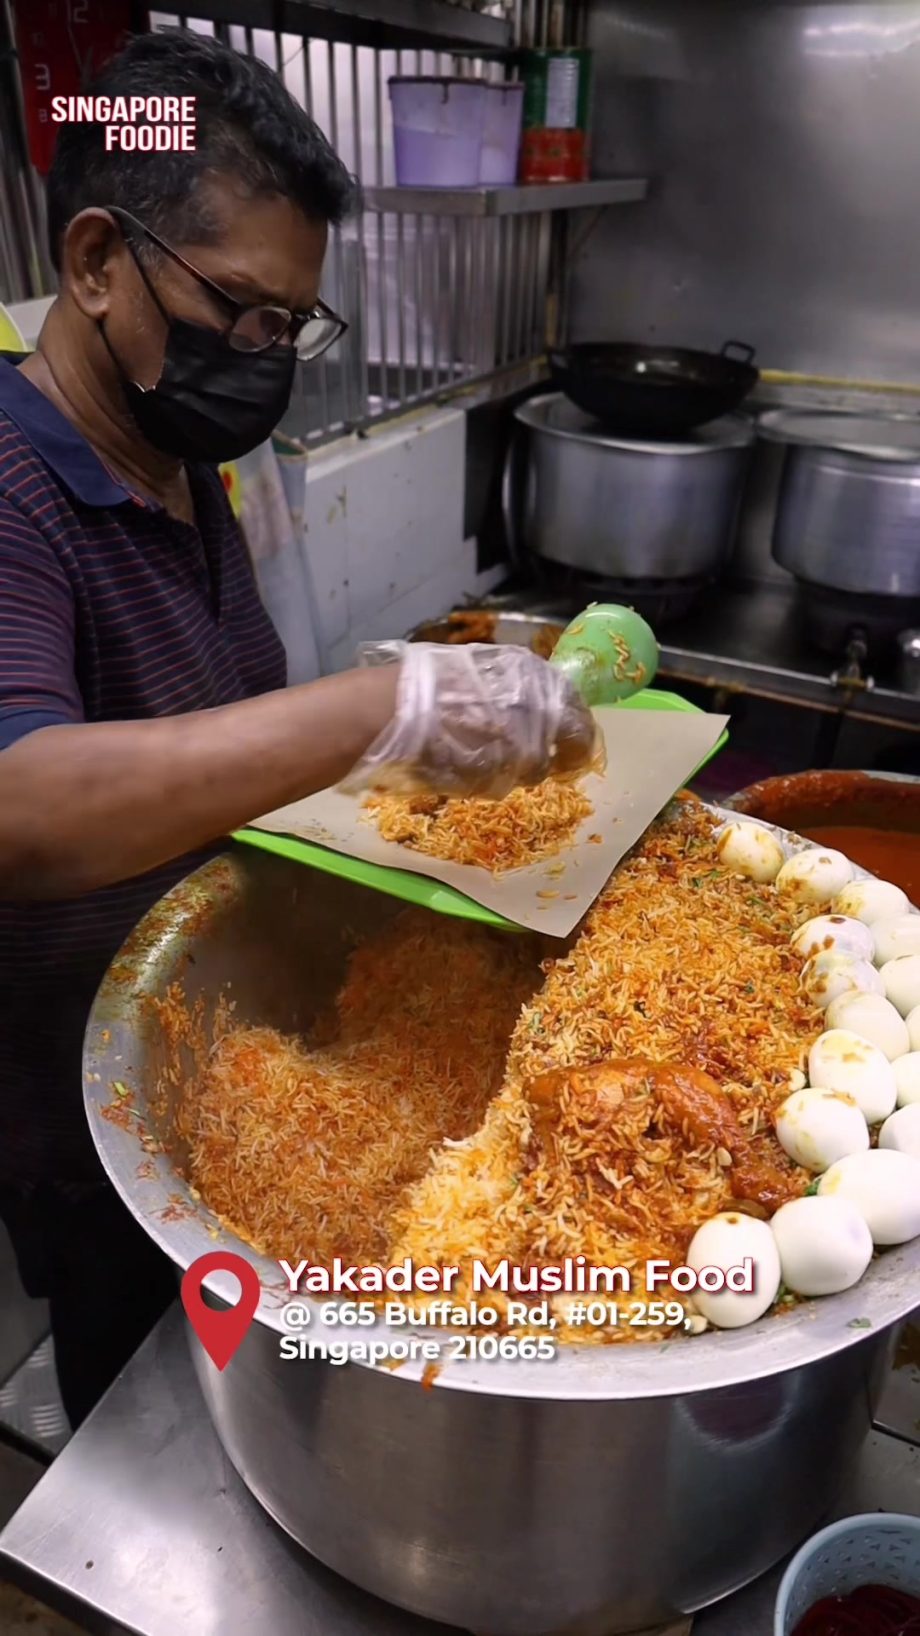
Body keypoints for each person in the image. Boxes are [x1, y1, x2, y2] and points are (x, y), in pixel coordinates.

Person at [0, 29, 594, 1430]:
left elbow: (218, 732)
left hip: (234, 1028)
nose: (268, 361)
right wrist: (385, 703)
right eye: (246, 314)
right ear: (95, 261)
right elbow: (20, 807)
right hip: (88, 1110)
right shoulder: (15, 491)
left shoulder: (182, 464)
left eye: (291, 328)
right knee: (154, 1416)